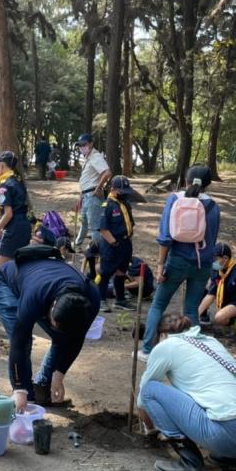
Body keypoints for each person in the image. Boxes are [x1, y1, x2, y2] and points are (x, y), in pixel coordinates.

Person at [138, 314, 236, 471]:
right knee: (211, 397)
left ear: (163, 334)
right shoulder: (211, 342)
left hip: (229, 437)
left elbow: (143, 398)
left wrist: (151, 430)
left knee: (150, 389)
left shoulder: (167, 345)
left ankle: (190, 463)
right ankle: (232, 459)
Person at [0, 252, 100, 409]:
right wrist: (19, 388)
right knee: (25, 339)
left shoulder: (91, 301)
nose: (52, 327)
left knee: (64, 338)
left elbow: (76, 338)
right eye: (54, 323)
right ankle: (27, 399)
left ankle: (42, 388)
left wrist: (59, 374)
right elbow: (18, 342)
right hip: (7, 283)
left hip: (44, 280)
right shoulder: (35, 297)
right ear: (53, 306)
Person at [139, 164, 220, 361]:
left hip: (177, 261)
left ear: (186, 181)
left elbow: (165, 237)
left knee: (158, 304)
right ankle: (191, 352)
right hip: (203, 264)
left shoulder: (175, 200)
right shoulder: (214, 206)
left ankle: (148, 349)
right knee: (192, 308)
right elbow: (212, 238)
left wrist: (160, 265)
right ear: (208, 185)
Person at [96, 175, 141, 313]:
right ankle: (100, 300)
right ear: (114, 189)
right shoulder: (107, 205)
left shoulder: (125, 203)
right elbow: (103, 229)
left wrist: (129, 239)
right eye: (122, 191)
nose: (125, 194)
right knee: (105, 272)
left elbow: (130, 223)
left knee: (121, 272)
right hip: (112, 244)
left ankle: (120, 300)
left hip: (126, 242)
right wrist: (114, 243)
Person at [0, 151, 31, 270]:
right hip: (24, 225)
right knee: (18, 266)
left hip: (14, 228)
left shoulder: (5, 186)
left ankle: (4, 289)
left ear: (2, 166)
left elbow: (8, 214)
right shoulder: (18, 182)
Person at [198, 242, 236, 332]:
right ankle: (229, 320)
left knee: (219, 317)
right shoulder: (217, 270)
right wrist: (196, 315)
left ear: (225, 258)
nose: (213, 261)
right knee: (202, 288)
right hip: (226, 300)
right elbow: (211, 294)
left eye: (216, 259)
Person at [72, 134, 112, 249]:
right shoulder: (88, 158)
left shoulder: (96, 157)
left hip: (92, 196)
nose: (82, 147)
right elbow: (86, 180)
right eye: (80, 145)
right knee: (84, 223)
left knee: (94, 226)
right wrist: (80, 197)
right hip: (86, 195)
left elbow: (107, 172)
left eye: (84, 144)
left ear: (91, 143)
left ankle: (98, 251)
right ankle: (77, 245)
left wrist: (98, 188)